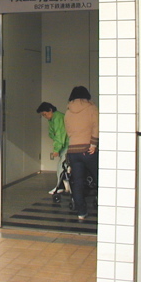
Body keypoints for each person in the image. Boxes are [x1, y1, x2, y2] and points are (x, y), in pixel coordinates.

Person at [64, 86, 99, 220]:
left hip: (73, 150)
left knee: (77, 182)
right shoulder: (92, 108)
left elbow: (68, 131)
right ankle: (104, 206)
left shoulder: (68, 112)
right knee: (99, 179)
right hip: (88, 149)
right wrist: (93, 144)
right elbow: (96, 126)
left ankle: (81, 212)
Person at [36, 102, 69, 194]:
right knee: (65, 166)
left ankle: (60, 187)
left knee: (61, 167)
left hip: (67, 145)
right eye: (42, 115)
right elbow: (53, 134)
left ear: (50, 110)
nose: (45, 116)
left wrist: (56, 149)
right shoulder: (53, 119)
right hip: (65, 145)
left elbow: (59, 135)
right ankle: (64, 186)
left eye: (45, 114)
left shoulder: (57, 118)